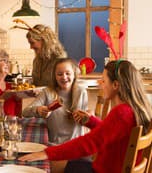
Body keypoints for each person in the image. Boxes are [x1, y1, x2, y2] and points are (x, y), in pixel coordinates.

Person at [19, 60, 152, 173]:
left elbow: (89, 143)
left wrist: (47, 153)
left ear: (116, 85)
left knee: (40, 166)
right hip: (109, 167)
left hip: (101, 171)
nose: (100, 83)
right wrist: (91, 121)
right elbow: (109, 133)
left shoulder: (121, 113)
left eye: (104, 80)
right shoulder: (132, 109)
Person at [22, 58, 88, 145]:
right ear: (55, 76)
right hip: (54, 145)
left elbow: (86, 121)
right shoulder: (47, 92)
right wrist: (38, 110)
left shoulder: (81, 92)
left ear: (74, 74)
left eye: (68, 73)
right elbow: (25, 112)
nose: (64, 77)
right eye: (60, 74)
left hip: (76, 145)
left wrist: (86, 117)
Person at [12, 19, 67, 86]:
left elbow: (63, 87)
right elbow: (36, 84)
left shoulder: (59, 60)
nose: (31, 47)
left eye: (32, 43)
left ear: (44, 41)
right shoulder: (36, 61)